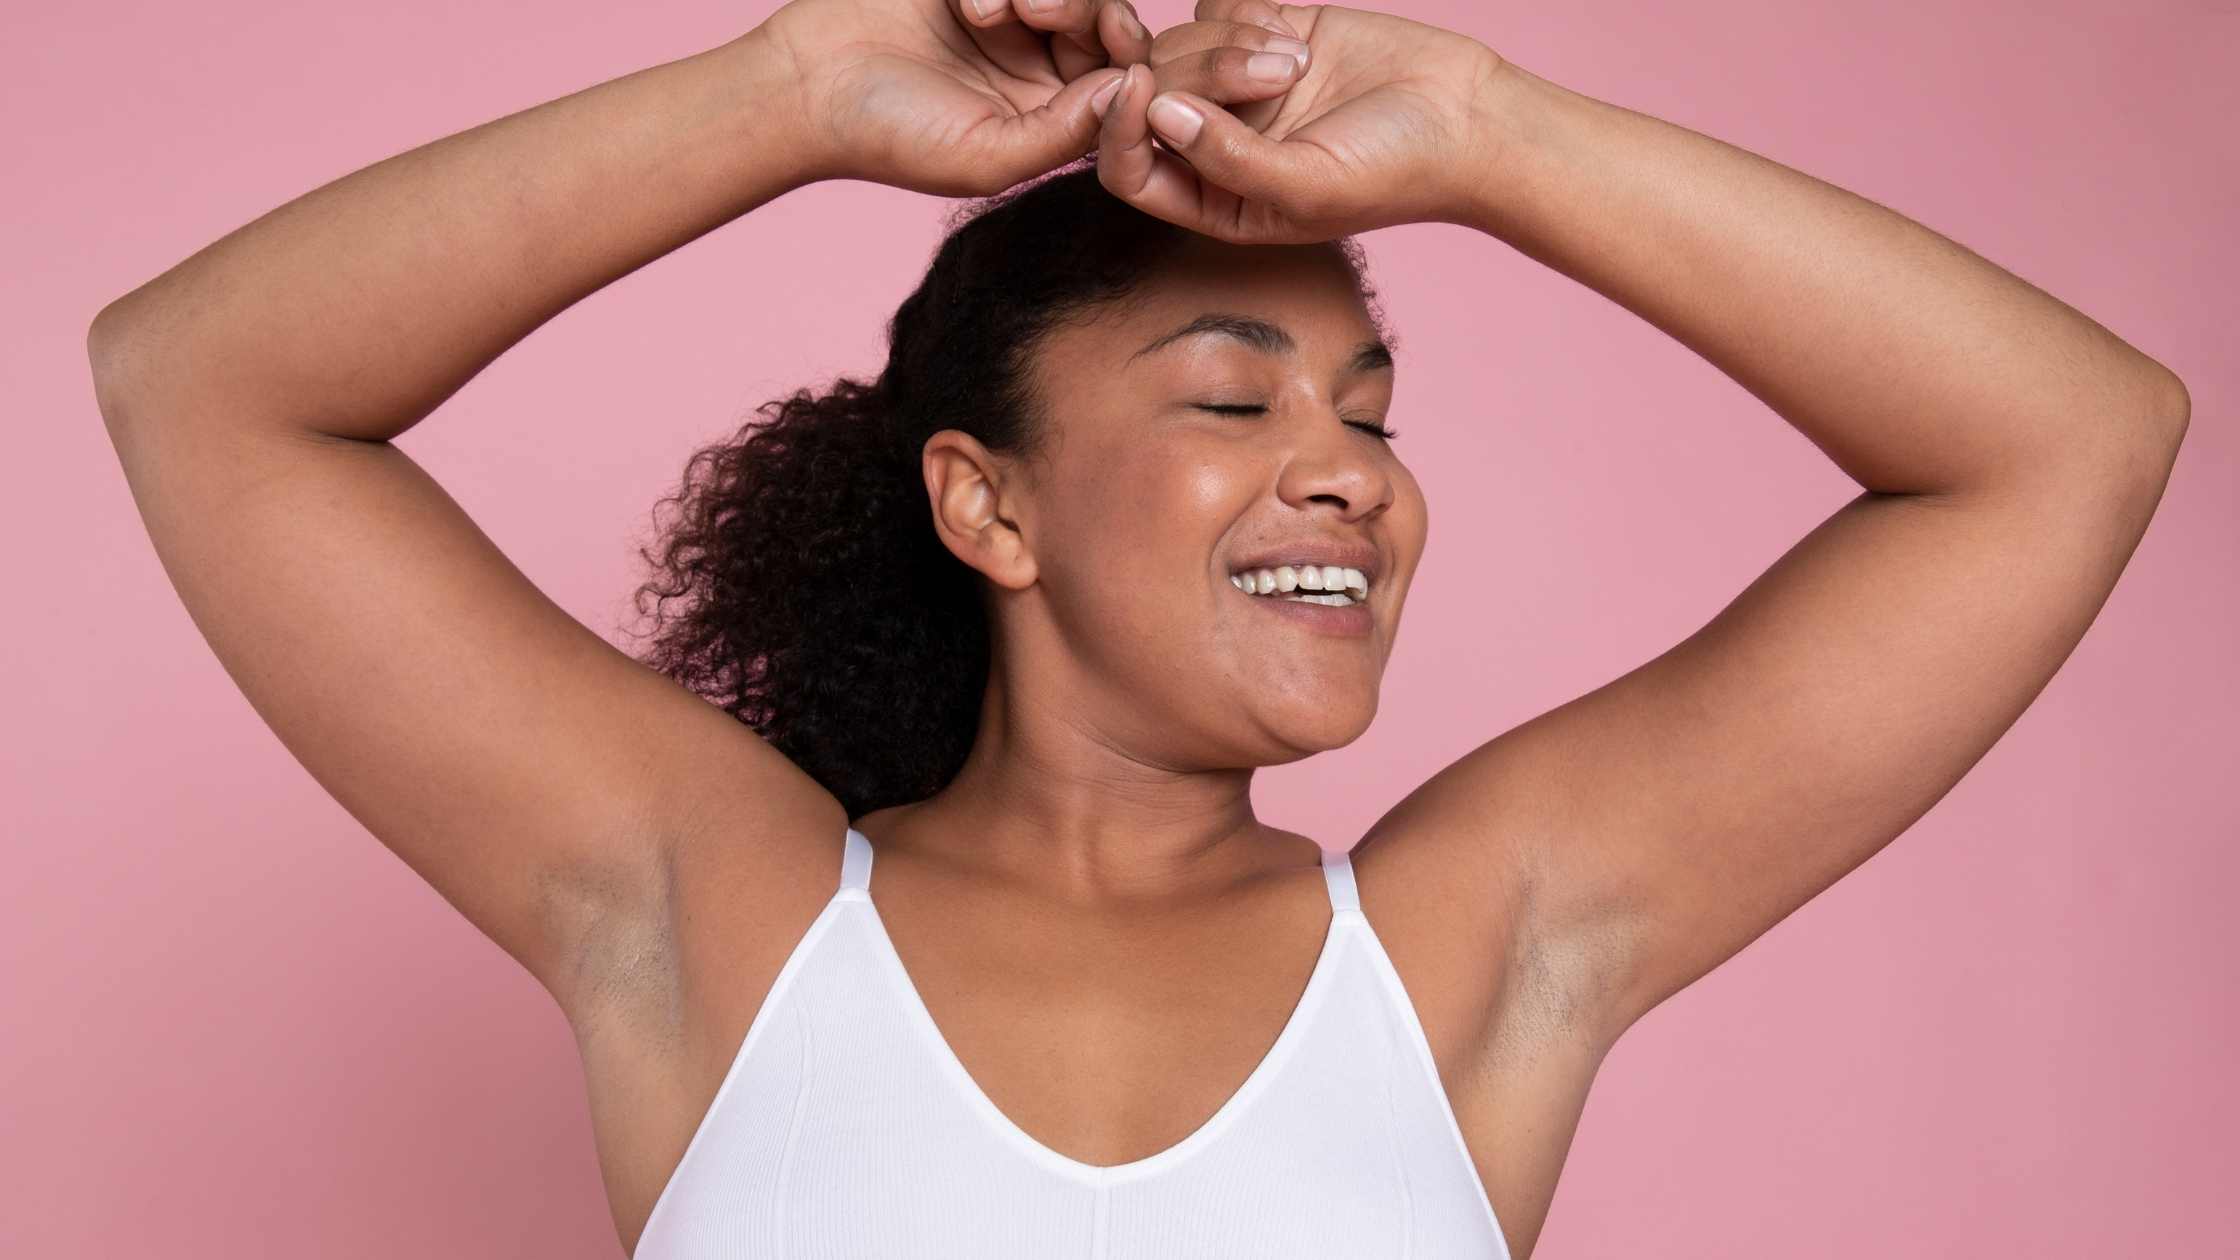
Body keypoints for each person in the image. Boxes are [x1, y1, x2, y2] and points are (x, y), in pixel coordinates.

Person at [86, 0, 2189, 1256]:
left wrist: (1484, 134)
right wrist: (799, 86)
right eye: (1228, 396)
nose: (1352, 468)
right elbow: (203, 379)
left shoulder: (1481, 941)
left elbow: (2069, 439)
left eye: (1371, 409)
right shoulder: (713, 912)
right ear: (983, 501)